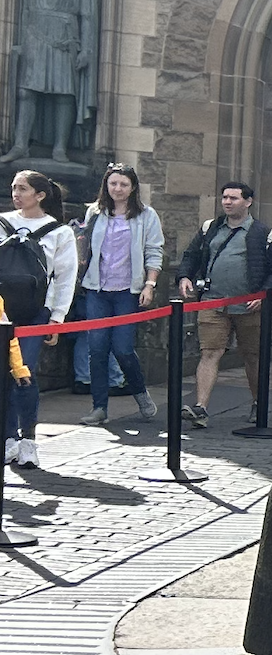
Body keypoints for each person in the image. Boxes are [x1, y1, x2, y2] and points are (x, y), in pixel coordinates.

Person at [75, 164, 160, 426]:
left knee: (123, 349)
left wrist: (149, 284)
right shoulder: (95, 212)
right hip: (97, 289)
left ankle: (140, 393)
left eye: (123, 184)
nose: (118, 189)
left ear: (133, 187)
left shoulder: (146, 215)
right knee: (97, 348)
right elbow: (86, 247)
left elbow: (154, 251)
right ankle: (99, 407)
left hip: (127, 291)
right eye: (113, 183)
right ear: (106, 185)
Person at [1, 171, 76, 464]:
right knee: (3, 374)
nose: (16, 194)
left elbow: (66, 277)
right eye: (14, 188)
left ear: (40, 195)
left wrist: (57, 318)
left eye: (22, 189)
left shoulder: (59, 232)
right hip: (2, 310)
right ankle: (8, 438)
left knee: (25, 373)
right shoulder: (3, 223)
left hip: (37, 311)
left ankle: (28, 439)